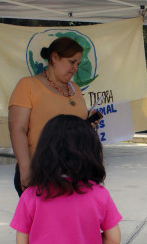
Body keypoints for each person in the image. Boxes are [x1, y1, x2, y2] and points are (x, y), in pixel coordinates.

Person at [10, 114, 122, 244]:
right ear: (90, 151)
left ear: (45, 151)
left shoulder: (32, 195)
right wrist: (84, 242)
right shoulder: (99, 194)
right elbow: (114, 238)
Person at [8, 37, 89, 197]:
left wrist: (86, 124)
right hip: (40, 170)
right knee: (44, 222)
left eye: (78, 64)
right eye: (72, 62)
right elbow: (18, 129)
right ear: (54, 58)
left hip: (76, 170)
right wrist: (25, 168)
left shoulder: (76, 89)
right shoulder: (28, 85)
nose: (75, 68)